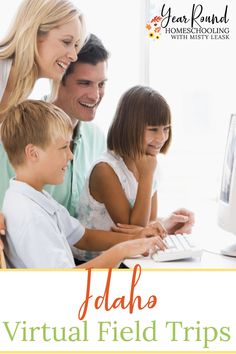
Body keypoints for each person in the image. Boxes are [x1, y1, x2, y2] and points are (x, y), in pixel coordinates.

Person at [0, 35, 194, 240]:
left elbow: (95, 220)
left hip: (82, 252)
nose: (95, 95)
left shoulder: (97, 139)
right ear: (58, 80)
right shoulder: (18, 135)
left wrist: (162, 225)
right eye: (85, 83)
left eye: (101, 84)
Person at [1, 100, 165, 268]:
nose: (71, 155)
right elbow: (65, 283)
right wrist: (121, 250)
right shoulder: (31, 218)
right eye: (64, 147)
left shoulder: (35, 197)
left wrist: (136, 237)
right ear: (33, 154)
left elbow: (84, 237)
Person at [0, 0, 86, 121]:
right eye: (66, 42)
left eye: (76, 45)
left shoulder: (23, 93)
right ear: (34, 34)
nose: (74, 56)